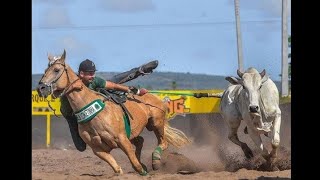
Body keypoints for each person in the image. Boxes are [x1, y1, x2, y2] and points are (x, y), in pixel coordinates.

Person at [60, 59, 158, 151]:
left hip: (93, 103)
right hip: (73, 116)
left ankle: (140, 70)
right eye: (90, 74)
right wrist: (72, 87)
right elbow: (56, 94)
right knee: (81, 147)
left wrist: (136, 91)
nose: (93, 76)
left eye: (93, 73)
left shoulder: (94, 81)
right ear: (81, 74)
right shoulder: (71, 82)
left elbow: (114, 85)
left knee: (113, 81)